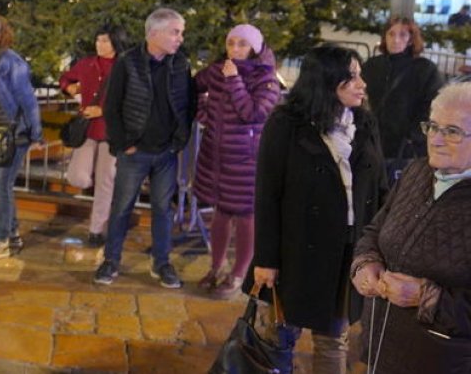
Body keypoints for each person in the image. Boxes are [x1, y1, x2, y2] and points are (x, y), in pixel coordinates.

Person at [250, 44, 387, 374]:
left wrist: (378, 249)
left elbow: (380, 189)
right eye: (352, 77)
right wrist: (266, 260)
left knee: (334, 339)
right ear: (327, 80)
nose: (362, 84)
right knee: (278, 336)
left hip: (345, 252)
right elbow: (268, 195)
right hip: (295, 250)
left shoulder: (364, 123)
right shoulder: (286, 124)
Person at [351, 81, 471, 373]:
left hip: (440, 361)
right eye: (433, 126)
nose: (436, 139)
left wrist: (422, 296)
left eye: (452, 131)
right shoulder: (416, 172)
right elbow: (373, 232)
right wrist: (365, 264)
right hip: (380, 346)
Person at [95, 7, 195, 289]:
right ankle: (111, 260)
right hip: (134, 151)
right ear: (154, 33)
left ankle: (161, 262)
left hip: (166, 152)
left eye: (181, 33)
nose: (180, 38)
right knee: (122, 207)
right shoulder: (128, 62)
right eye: (175, 32)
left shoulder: (180, 64)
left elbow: (189, 105)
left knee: (163, 210)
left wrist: (179, 141)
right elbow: (112, 106)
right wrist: (123, 144)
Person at [192, 24, 279, 297]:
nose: (235, 49)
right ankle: (216, 267)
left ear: (255, 48)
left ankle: (239, 274)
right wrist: (204, 114)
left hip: (246, 161)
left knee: (245, 216)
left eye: (242, 44)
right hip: (216, 157)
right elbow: (193, 87)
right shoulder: (217, 70)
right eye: (231, 43)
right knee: (220, 212)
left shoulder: (266, 78)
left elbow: (253, 114)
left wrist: (234, 81)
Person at [0, 15, 45, 261]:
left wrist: (35, 133)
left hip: (14, 134)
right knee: (1, 185)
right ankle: (11, 236)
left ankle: (1, 238)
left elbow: (28, 101)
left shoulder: (11, 62)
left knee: (1, 185)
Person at [57, 25, 126, 248]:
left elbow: (130, 100)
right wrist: (69, 87)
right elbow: (65, 78)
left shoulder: (124, 67)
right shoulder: (86, 63)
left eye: (105, 41)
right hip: (87, 129)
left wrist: (103, 110)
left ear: (116, 42)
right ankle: (96, 182)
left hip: (111, 132)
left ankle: (97, 230)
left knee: (106, 183)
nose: (100, 45)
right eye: (98, 40)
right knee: (77, 177)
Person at [362, 17, 444, 185]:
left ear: (411, 39)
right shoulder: (372, 66)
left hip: (407, 148)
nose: (396, 40)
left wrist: (413, 136)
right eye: (391, 34)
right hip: (374, 144)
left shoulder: (424, 69)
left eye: (402, 35)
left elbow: (434, 106)